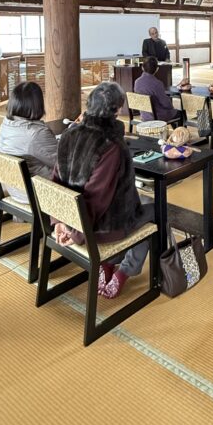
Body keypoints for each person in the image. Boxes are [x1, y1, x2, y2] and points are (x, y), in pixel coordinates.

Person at [52, 82, 156, 298]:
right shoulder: (111, 145)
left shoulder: (68, 135)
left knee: (141, 203)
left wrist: (60, 221)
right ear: (116, 110)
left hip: (73, 219)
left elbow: (56, 183)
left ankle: (108, 265)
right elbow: (96, 199)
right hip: (100, 228)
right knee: (159, 210)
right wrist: (77, 235)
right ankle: (124, 271)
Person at [0, 81, 57, 201]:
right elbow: (63, 165)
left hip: (14, 188)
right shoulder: (36, 133)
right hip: (36, 194)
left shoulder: (7, 124)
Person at [133, 56, 181, 124]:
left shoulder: (137, 82)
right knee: (180, 113)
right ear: (157, 69)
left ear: (142, 67)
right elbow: (166, 104)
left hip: (144, 116)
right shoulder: (157, 84)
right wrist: (172, 108)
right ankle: (178, 131)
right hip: (158, 116)